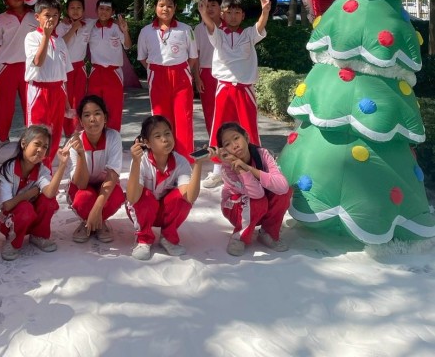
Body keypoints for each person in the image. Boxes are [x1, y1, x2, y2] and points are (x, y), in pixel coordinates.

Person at [198, 0, 270, 151]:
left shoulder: (248, 34)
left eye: (237, 12)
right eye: (229, 12)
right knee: (220, 125)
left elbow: (259, 26)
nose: (233, 16)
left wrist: (265, 11)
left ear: (243, 15)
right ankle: (217, 162)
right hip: (224, 87)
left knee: (248, 126)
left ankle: (254, 159)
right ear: (222, 15)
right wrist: (204, 13)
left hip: (245, 89)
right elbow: (210, 26)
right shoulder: (218, 35)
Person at [126, 115, 202, 260]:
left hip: (163, 213)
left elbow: (189, 197)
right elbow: (132, 198)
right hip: (141, 210)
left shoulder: (181, 162)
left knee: (182, 198)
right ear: (147, 143)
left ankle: (168, 237)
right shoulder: (141, 160)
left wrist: (198, 164)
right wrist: (135, 162)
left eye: (167, 133)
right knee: (145, 196)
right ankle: (143, 238)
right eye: (157, 136)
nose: (165, 139)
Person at [213, 122, 292, 256]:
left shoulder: (262, 154)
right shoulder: (227, 169)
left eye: (236, 138)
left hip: (260, 208)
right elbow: (257, 194)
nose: (235, 145)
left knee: (284, 193)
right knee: (258, 200)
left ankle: (268, 233)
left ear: (246, 137)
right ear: (224, 150)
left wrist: (248, 168)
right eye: (227, 144)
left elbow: (283, 186)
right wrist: (240, 169)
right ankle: (239, 237)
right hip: (235, 210)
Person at [137, 0, 198, 158]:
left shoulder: (185, 29)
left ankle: (185, 158)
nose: (165, 9)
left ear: (175, 8)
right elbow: (142, 57)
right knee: (160, 118)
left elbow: (193, 57)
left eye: (170, 6)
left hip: (181, 75)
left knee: (183, 117)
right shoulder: (146, 31)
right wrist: (155, 70)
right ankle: (162, 157)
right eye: (161, 5)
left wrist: (182, 71)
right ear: (155, 7)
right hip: (157, 75)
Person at [0, 124, 70, 260]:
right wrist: (28, 195)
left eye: (45, 147)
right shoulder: (9, 168)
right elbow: (7, 205)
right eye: (37, 144)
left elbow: (50, 193)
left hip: (31, 219)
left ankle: (38, 235)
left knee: (48, 201)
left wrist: (62, 165)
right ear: (24, 144)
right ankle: (12, 241)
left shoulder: (42, 170)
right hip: (8, 222)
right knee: (25, 207)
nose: (40, 150)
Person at [67, 95, 125, 244]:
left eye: (97, 113)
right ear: (81, 121)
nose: (92, 119)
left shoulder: (113, 137)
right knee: (83, 198)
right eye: (87, 115)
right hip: (83, 186)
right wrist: (81, 153)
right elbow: (81, 184)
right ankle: (86, 221)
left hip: (104, 185)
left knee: (117, 195)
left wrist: (97, 208)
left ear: (105, 118)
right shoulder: (75, 142)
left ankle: (100, 221)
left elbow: (112, 176)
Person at [0, 0, 38, 151]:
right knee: (4, 105)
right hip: (6, 67)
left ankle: (34, 138)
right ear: (5, 0)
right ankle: (2, 137)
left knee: (32, 104)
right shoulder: (2, 18)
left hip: (31, 67)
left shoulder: (36, 16)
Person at [24, 0, 72, 167]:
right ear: (37, 17)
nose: (51, 19)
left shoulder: (60, 41)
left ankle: (47, 169)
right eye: (47, 15)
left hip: (58, 91)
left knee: (55, 132)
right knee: (37, 133)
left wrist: (66, 102)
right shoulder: (32, 37)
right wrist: (45, 35)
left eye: (55, 15)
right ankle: (33, 169)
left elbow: (64, 74)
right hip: (39, 90)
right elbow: (38, 61)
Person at [192, 0, 223, 188]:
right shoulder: (198, 29)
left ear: (220, 8)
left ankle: (229, 159)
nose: (210, 8)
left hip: (226, 75)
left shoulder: (227, 27)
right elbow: (195, 56)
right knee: (211, 118)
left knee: (228, 119)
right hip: (206, 74)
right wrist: (197, 78)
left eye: (213, 5)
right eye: (206, 5)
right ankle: (217, 164)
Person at [87, 0, 131, 132]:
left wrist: (125, 31)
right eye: (101, 8)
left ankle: (113, 137)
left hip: (114, 73)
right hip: (96, 72)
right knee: (93, 107)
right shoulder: (90, 26)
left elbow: (128, 45)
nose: (104, 12)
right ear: (96, 10)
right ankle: (95, 136)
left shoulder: (117, 27)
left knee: (114, 107)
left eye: (107, 9)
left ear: (113, 12)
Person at [56, 0, 94, 135]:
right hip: (64, 68)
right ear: (67, 10)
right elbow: (60, 44)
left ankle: (77, 129)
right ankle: (67, 130)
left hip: (80, 67)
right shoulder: (61, 26)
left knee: (79, 98)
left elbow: (104, 19)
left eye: (79, 8)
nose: (75, 10)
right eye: (72, 8)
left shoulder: (89, 24)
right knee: (65, 99)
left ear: (83, 10)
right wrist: (72, 28)